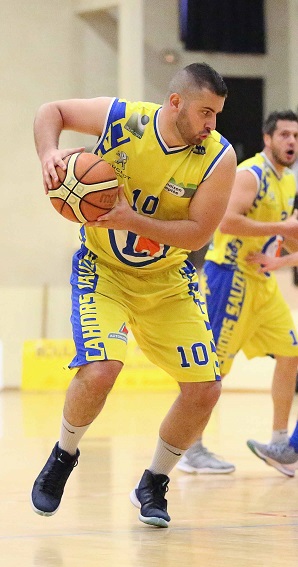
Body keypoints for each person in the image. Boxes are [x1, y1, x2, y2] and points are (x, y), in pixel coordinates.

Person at [30, 63, 237, 527]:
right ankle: (63, 456)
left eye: (218, 114)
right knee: (102, 370)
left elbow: (197, 234)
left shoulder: (218, 157)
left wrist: (131, 220)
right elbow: (52, 111)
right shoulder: (124, 119)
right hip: (103, 270)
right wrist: (48, 154)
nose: (212, 124)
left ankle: (154, 483)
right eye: (206, 112)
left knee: (205, 390)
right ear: (176, 102)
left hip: (167, 281)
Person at [177, 110, 298, 478]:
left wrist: (286, 251)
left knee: (291, 353)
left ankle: (280, 444)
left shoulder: (289, 181)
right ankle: (190, 448)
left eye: (295, 136)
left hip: (260, 279)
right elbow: (225, 220)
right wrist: (282, 227)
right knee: (212, 368)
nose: (291, 142)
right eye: (284, 135)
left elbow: (287, 231)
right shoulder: (251, 174)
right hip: (228, 275)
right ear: (267, 139)